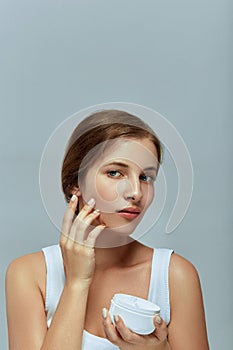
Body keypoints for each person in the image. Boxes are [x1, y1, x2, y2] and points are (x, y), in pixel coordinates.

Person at [5, 110, 209, 350]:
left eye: (146, 177)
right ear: (75, 184)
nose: (136, 192)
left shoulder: (175, 275)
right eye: (115, 172)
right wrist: (77, 283)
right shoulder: (29, 275)